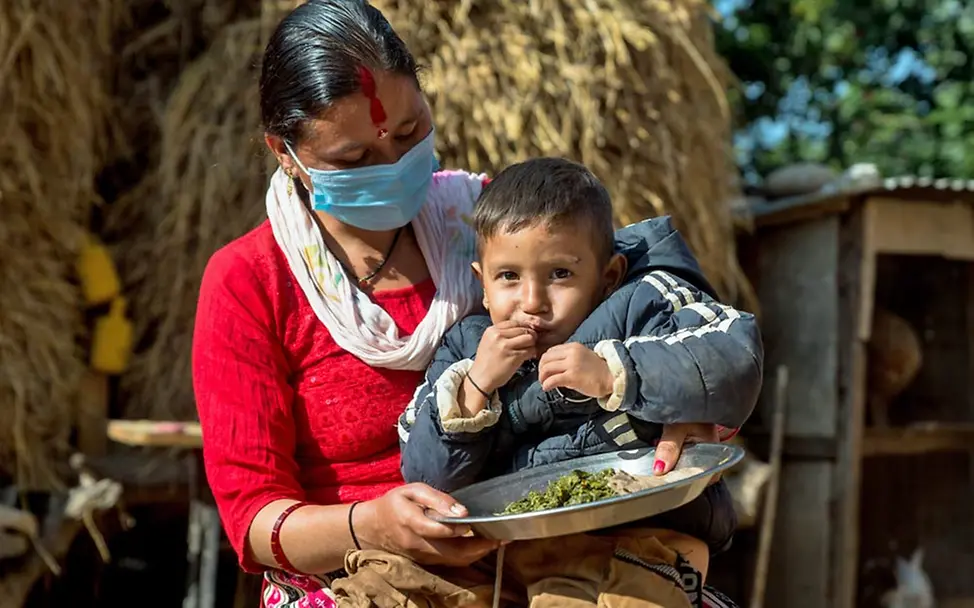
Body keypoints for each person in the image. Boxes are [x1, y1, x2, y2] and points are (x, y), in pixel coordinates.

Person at [191, 1, 743, 607]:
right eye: (353, 160)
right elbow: (253, 522)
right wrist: (371, 524)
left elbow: (641, 270)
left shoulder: (484, 225)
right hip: (365, 572)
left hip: (551, 544)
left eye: (409, 134)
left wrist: (677, 396)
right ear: (284, 152)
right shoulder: (249, 281)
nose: (394, 164)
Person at [394, 158, 762, 605]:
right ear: (483, 284)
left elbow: (732, 357)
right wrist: (474, 388)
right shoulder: (466, 350)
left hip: (647, 536)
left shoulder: (645, 304)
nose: (532, 302)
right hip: (520, 550)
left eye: (560, 275)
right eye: (509, 276)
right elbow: (425, 474)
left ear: (608, 276)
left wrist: (615, 373)